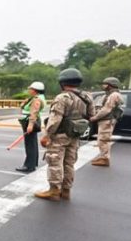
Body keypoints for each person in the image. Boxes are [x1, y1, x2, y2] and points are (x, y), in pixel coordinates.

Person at [34, 68, 95, 201]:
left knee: (55, 161)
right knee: (69, 163)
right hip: (75, 135)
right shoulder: (87, 97)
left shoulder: (62, 97)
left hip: (60, 135)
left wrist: (46, 135)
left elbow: (55, 120)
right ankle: (66, 191)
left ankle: (54, 190)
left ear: (62, 83)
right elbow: (91, 116)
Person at [89, 77, 124, 167]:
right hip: (106, 120)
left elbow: (107, 109)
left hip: (107, 120)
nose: (103, 85)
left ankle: (105, 158)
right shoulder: (110, 94)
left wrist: (95, 117)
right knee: (102, 139)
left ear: (111, 85)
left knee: (104, 140)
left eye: (105, 84)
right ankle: (103, 157)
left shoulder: (114, 95)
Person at [16, 82, 46, 172]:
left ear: (35, 90)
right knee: (32, 144)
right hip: (31, 122)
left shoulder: (36, 100)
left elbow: (33, 113)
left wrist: (30, 125)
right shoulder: (36, 98)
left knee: (30, 145)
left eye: (31, 89)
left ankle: (29, 166)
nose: (29, 90)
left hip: (30, 122)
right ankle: (32, 164)